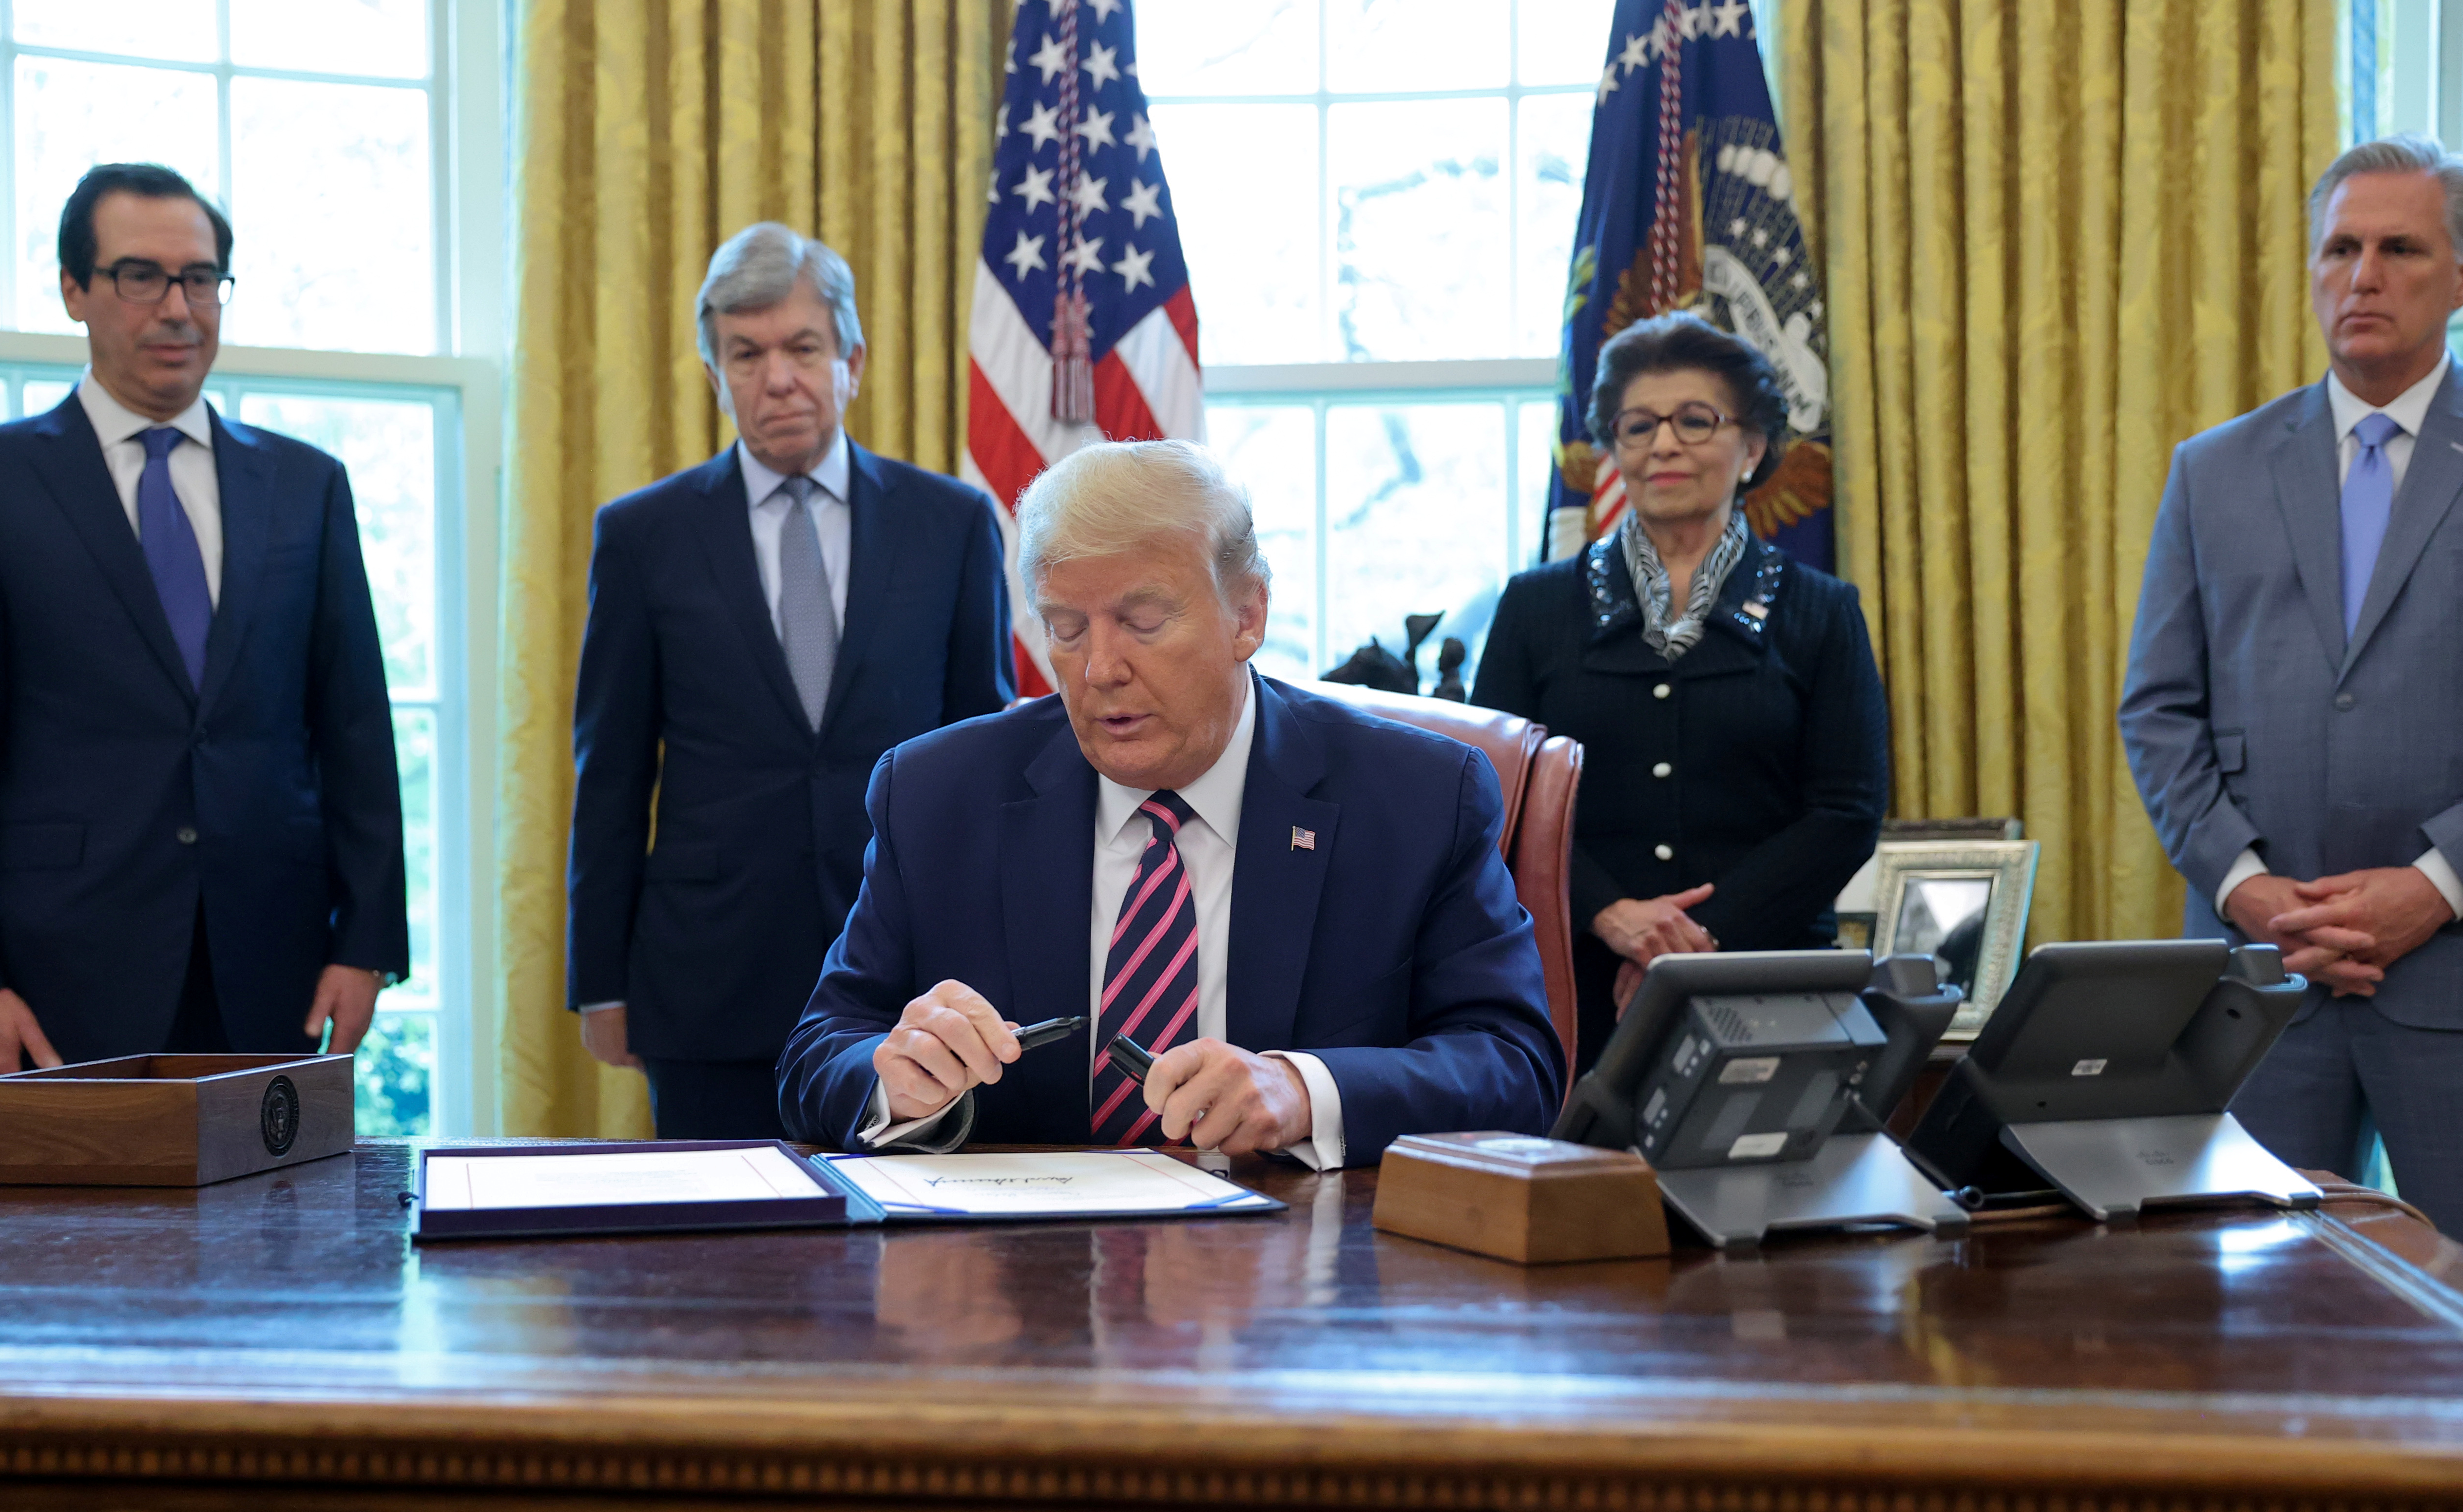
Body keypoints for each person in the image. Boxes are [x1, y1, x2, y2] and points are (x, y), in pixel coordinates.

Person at [780, 440, 1564, 1163]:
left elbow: (1514, 1066)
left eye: (1142, 623)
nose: (1100, 669)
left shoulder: (1417, 797)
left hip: (1306, 1279)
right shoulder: (937, 793)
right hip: (1019, 1280)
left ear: (1247, 616)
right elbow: (820, 1050)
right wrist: (895, 1079)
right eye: (1066, 629)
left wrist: (1305, 1092)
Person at [2123, 134, 2463, 1257]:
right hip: (2258, 985)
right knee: (2253, 1326)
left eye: (2398, 249)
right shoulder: (2214, 469)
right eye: (2339, 248)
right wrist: (2249, 891)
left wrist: (2432, 888)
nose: (2362, 276)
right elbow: (2157, 711)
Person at [0, 163, 405, 1078]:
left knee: (278, 1220)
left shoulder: (305, 485)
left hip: (273, 961)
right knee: (68, 1226)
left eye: (200, 278)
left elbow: (355, 731)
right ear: (75, 290)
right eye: (139, 275)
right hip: (57, 973)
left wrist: (367, 943)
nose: (177, 307)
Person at [567, 224, 1013, 1141]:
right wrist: (601, 980)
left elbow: (989, 764)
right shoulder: (644, 536)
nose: (778, 377)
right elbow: (610, 773)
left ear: (850, 358)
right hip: (707, 980)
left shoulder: (954, 524)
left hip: (908, 981)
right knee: (712, 1262)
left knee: (898, 1263)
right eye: (747, 352)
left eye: (802, 348)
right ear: (715, 372)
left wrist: (996, 957)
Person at [1473, 313, 1887, 1069]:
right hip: (1574, 983)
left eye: (1695, 421)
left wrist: (1694, 941)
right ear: (1613, 450)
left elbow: (1846, 810)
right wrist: (1611, 917)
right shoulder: (1533, 608)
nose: (1663, 444)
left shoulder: (1822, 611)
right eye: (1637, 426)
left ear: (1753, 446)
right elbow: (1496, 796)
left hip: (1768, 976)